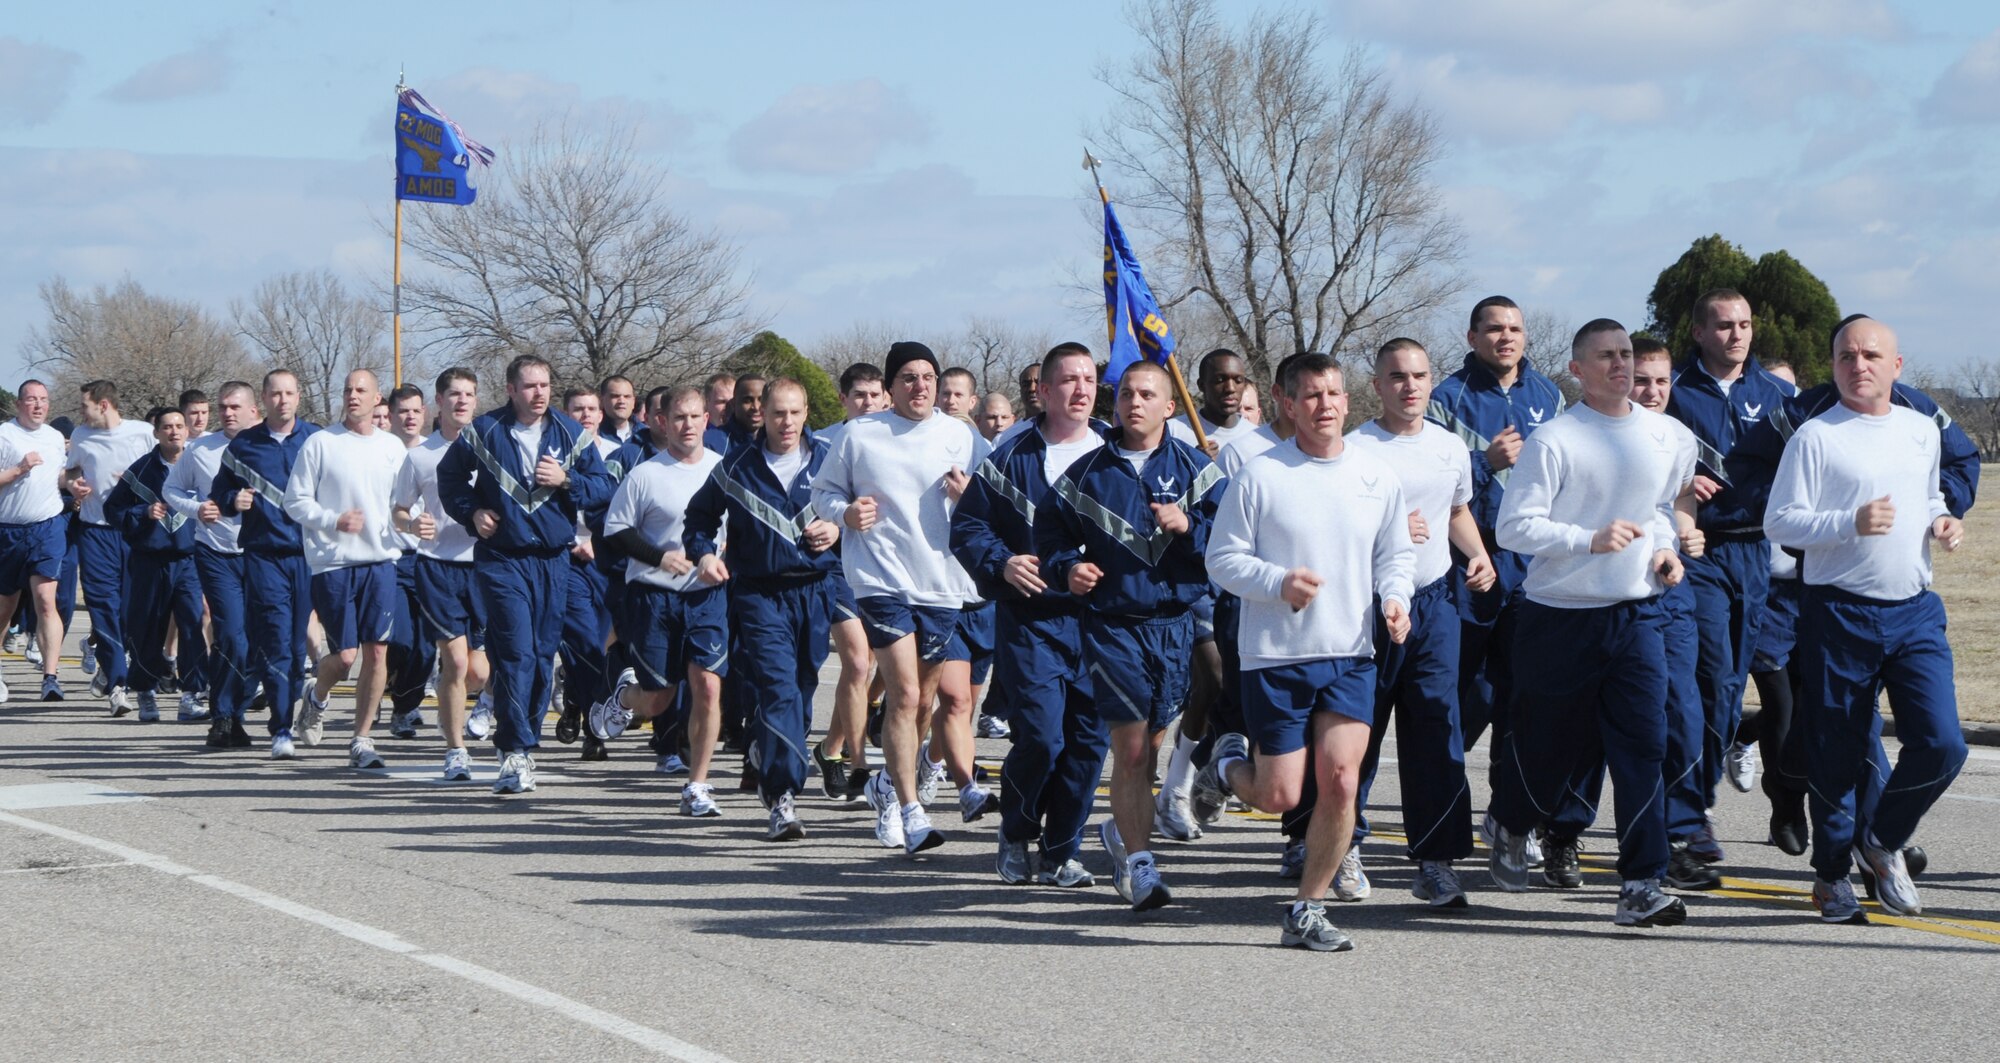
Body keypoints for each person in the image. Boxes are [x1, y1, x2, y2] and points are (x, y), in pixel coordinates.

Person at [1197, 352, 1414, 951]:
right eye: (1312, 396)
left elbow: (1396, 556)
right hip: (1276, 656)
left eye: (1335, 394)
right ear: (1287, 404)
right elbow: (1223, 560)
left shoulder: (1375, 477)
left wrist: (1396, 598)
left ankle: (1308, 909)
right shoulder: (1261, 476)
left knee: (1342, 781)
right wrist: (1278, 583)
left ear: (1348, 401)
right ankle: (1225, 766)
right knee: (1280, 795)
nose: (1326, 406)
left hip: (1351, 653)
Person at [1483, 319, 1690, 929]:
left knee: (1644, 747)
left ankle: (1641, 883)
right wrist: (1587, 540)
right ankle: (1512, 821)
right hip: (1559, 617)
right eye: (1606, 357)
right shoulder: (1557, 440)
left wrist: (1665, 551)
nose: (1620, 365)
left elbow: (1657, 509)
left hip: (1636, 615)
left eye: (1626, 354)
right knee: (1551, 753)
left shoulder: (1666, 436)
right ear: (1577, 370)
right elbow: (1514, 528)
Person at [1765, 317, 1968, 923]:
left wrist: (1941, 518)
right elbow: (1781, 522)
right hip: (1838, 613)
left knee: (1943, 744)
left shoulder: (1918, 430)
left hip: (1914, 612)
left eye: (1872, 355)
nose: (1860, 365)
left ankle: (1881, 841)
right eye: (1847, 357)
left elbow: (1928, 493)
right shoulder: (1816, 438)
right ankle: (1830, 877)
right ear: (1833, 367)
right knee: (1838, 754)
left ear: (1896, 366)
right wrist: (1846, 522)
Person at [1035, 360, 1224, 910]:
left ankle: (1123, 828)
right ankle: (1142, 867)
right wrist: (1067, 568)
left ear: (1170, 406)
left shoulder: (1199, 469)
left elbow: (1234, 535)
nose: (1134, 403)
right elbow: (1049, 533)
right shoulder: (1086, 472)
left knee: (1155, 739)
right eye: (1125, 395)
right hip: (1113, 626)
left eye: (1147, 394)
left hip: (1176, 625)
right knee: (1133, 748)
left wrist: (1191, 527)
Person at [1340, 339, 1497, 907]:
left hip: (1435, 601)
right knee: (1359, 730)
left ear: (1433, 382)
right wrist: (1388, 523)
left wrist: (1477, 554)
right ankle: (1343, 845)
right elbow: (1338, 532)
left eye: (1420, 376)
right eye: (1398, 377)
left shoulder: (1450, 447)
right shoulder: (1356, 449)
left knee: (1437, 725)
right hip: (1371, 604)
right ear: (1377, 385)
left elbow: (1455, 511)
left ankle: (1435, 860)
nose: (1410, 387)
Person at [814, 341, 981, 856]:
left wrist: (969, 493)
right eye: (908, 377)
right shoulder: (860, 434)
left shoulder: (962, 435)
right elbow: (822, 493)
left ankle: (887, 785)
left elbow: (995, 499)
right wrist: (844, 514)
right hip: (881, 580)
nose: (921, 385)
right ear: (890, 387)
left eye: (927, 376)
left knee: (925, 701)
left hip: (942, 582)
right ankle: (910, 810)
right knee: (905, 695)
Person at [953, 343, 1108, 885]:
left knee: (1088, 742)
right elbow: (968, 527)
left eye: (1088, 379)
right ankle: (1016, 831)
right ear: (1042, 390)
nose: (1081, 390)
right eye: (1067, 380)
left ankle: (1063, 850)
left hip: (1102, 624)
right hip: (1032, 619)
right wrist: (1002, 562)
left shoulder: (1117, 454)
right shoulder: (1011, 458)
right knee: (1042, 738)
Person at [1426, 295, 1566, 866]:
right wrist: (1485, 462)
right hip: (1469, 562)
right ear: (1472, 336)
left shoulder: (1549, 396)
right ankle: (1442, 807)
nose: (1505, 338)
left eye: (1514, 329)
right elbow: (1435, 481)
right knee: (1464, 692)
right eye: (1493, 329)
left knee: (1523, 695)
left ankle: (1509, 816)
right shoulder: (1447, 397)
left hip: (1530, 566)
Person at [678, 378, 850, 839]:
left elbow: (857, 512)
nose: (787, 422)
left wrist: (837, 530)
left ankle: (766, 750)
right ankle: (782, 796)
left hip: (815, 590)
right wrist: (706, 554)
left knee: (802, 688)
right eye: (778, 413)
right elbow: (699, 518)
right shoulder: (736, 465)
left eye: (795, 413)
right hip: (758, 593)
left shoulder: (830, 459)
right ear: (762, 415)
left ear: (806, 411)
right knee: (777, 689)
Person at [1662, 288, 1798, 864]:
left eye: (1743, 324)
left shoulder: (1779, 395)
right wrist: (1682, 489)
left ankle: (1692, 797)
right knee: (1713, 680)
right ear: (1698, 332)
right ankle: (1692, 813)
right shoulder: (1672, 393)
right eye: (1722, 325)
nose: (1735, 335)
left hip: (1758, 554)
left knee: (1730, 685)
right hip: (1700, 551)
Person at [438, 354, 613, 794]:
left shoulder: (571, 435)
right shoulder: (485, 432)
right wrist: (471, 512)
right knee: (515, 649)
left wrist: (567, 480)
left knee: (539, 654)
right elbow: (450, 479)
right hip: (503, 559)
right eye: (530, 386)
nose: (540, 394)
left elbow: (603, 488)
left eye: (546, 385)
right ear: (512, 390)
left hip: (554, 559)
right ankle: (516, 750)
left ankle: (519, 743)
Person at [592, 387, 730, 813]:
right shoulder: (646, 474)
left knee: (707, 687)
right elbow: (616, 530)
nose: (687, 426)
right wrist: (660, 556)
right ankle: (623, 699)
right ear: (662, 422)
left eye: (695, 417)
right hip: (655, 596)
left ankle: (697, 785)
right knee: (658, 699)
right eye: (679, 418)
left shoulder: (725, 471)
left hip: (707, 597)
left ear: (707, 420)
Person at [1629, 337, 1722, 893]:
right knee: (1591, 730)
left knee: (1683, 711)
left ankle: (1682, 833)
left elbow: (1681, 497)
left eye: (1662, 381)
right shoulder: (1591, 434)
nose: (1653, 391)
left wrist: (1687, 530)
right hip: (1606, 598)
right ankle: (1550, 824)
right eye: (1643, 380)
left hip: (1670, 592)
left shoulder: (1680, 437)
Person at [285, 370, 411, 771]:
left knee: (377, 653)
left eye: (361, 390)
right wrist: (332, 519)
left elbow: (406, 503)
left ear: (378, 401)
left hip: (381, 562)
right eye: (347, 390)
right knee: (344, 657)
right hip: (333, 563)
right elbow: (295, 501)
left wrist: (413, 524)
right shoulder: (320, 443)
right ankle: (317, 696)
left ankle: (362, 738)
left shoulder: (393, 448)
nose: (352, 396)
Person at [210, 370, 321, 759]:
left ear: (298, 397)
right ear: (264, 398)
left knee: (295, 647)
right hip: (263, 555)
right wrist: (231, 502)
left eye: (290, 393)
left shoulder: (316, 439)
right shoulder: (244, 445)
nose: (283, 400)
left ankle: (295, 703)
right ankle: (281, 728)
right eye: (276, 394)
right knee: (275, 640)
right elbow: (219, 491)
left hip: (308, 557)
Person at [393, 368, 488, 780]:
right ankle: (456, 749)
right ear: (439, 402)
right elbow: (397, 511)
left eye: (468, 394)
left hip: (486, 567)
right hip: (437, 568)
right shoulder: (420, 456)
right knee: (454, 660)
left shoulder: (491, 449)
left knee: (479, 671)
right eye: (453, 394)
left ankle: (451, 710)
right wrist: (413, 525)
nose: (461, 401)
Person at [810, 362, 886, 799]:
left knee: (871, 666)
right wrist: (837, 522)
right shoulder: (823, 442)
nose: (868, 403)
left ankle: (831, 748)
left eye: (875, 395)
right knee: (858, 662)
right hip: (835, 566)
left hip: (880, 565)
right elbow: (816, 500)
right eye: (859, 395)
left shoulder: (895, 439)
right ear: (843, 399)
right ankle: (858, 765)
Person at [104, 406, 206, 723]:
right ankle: (146, 691)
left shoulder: (200, 465)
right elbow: (113, 510)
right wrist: (142, 515)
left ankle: (191, 694)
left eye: (179, 425)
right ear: (156, 433)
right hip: (150, 561)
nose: (174, 431)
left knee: (193, 624)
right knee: (148, 628)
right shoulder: (142, 470)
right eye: (167, 426)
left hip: (188, 560)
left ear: (188, 430)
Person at [170, 381, 257, 746]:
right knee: (232, 634)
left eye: (235, 407)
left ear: (255, 410)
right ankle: (221, 715)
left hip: (262, 555)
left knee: (259, 642)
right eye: (222, 407)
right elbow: (171, 490)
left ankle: (237, 715)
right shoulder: (200, 449)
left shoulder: (270, 446)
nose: (227, 413)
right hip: (215, 553)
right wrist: (197, 509)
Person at [66, 379, 157, 714]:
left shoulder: (143, 433)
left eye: (84, 405)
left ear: (103, 405)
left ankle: (113, 666)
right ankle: (119, 684)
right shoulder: (80, 435)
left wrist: (135, 484)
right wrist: (74, 485)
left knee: (131, 611)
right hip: (95, 532)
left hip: (134, 533)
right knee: (102, 606)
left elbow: (161, 472)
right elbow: (71, 470)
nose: (81, 412)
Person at [0, 380, 72, 703]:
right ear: (19, 405)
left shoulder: (55, 438)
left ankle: (51, 677)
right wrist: (18, 469)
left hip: (47, 527)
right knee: (5, 607)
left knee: (46, 600)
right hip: (9, 530)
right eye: (31, 400)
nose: (38, 405)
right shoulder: (5, 435)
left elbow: (58, 476)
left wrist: (74, 484)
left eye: (43, 400)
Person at [382, 384, 435, 740]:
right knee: (399, 639)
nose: (410, 417)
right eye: (403, 411)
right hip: (391, 559)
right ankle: (388, 691)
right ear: (391, 414)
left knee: (426, 645)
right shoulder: (380, 453)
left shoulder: (436, 452)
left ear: (425, 413)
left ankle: (404, 705)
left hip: (431, 560)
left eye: (416, 410)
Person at [1168, 348, 1257, 452]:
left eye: (1238, 380)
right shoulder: (1173, 432)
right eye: (1220, 380)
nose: (1231, 388)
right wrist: (1197, 462)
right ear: (1201, 385)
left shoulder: (1256, 437)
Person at [599, 375, 640, 444]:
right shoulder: (591, 435)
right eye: (615, 396)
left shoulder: (647, 435)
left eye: (627, 396)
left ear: (633, 402)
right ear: (602, 401)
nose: (621, 401)